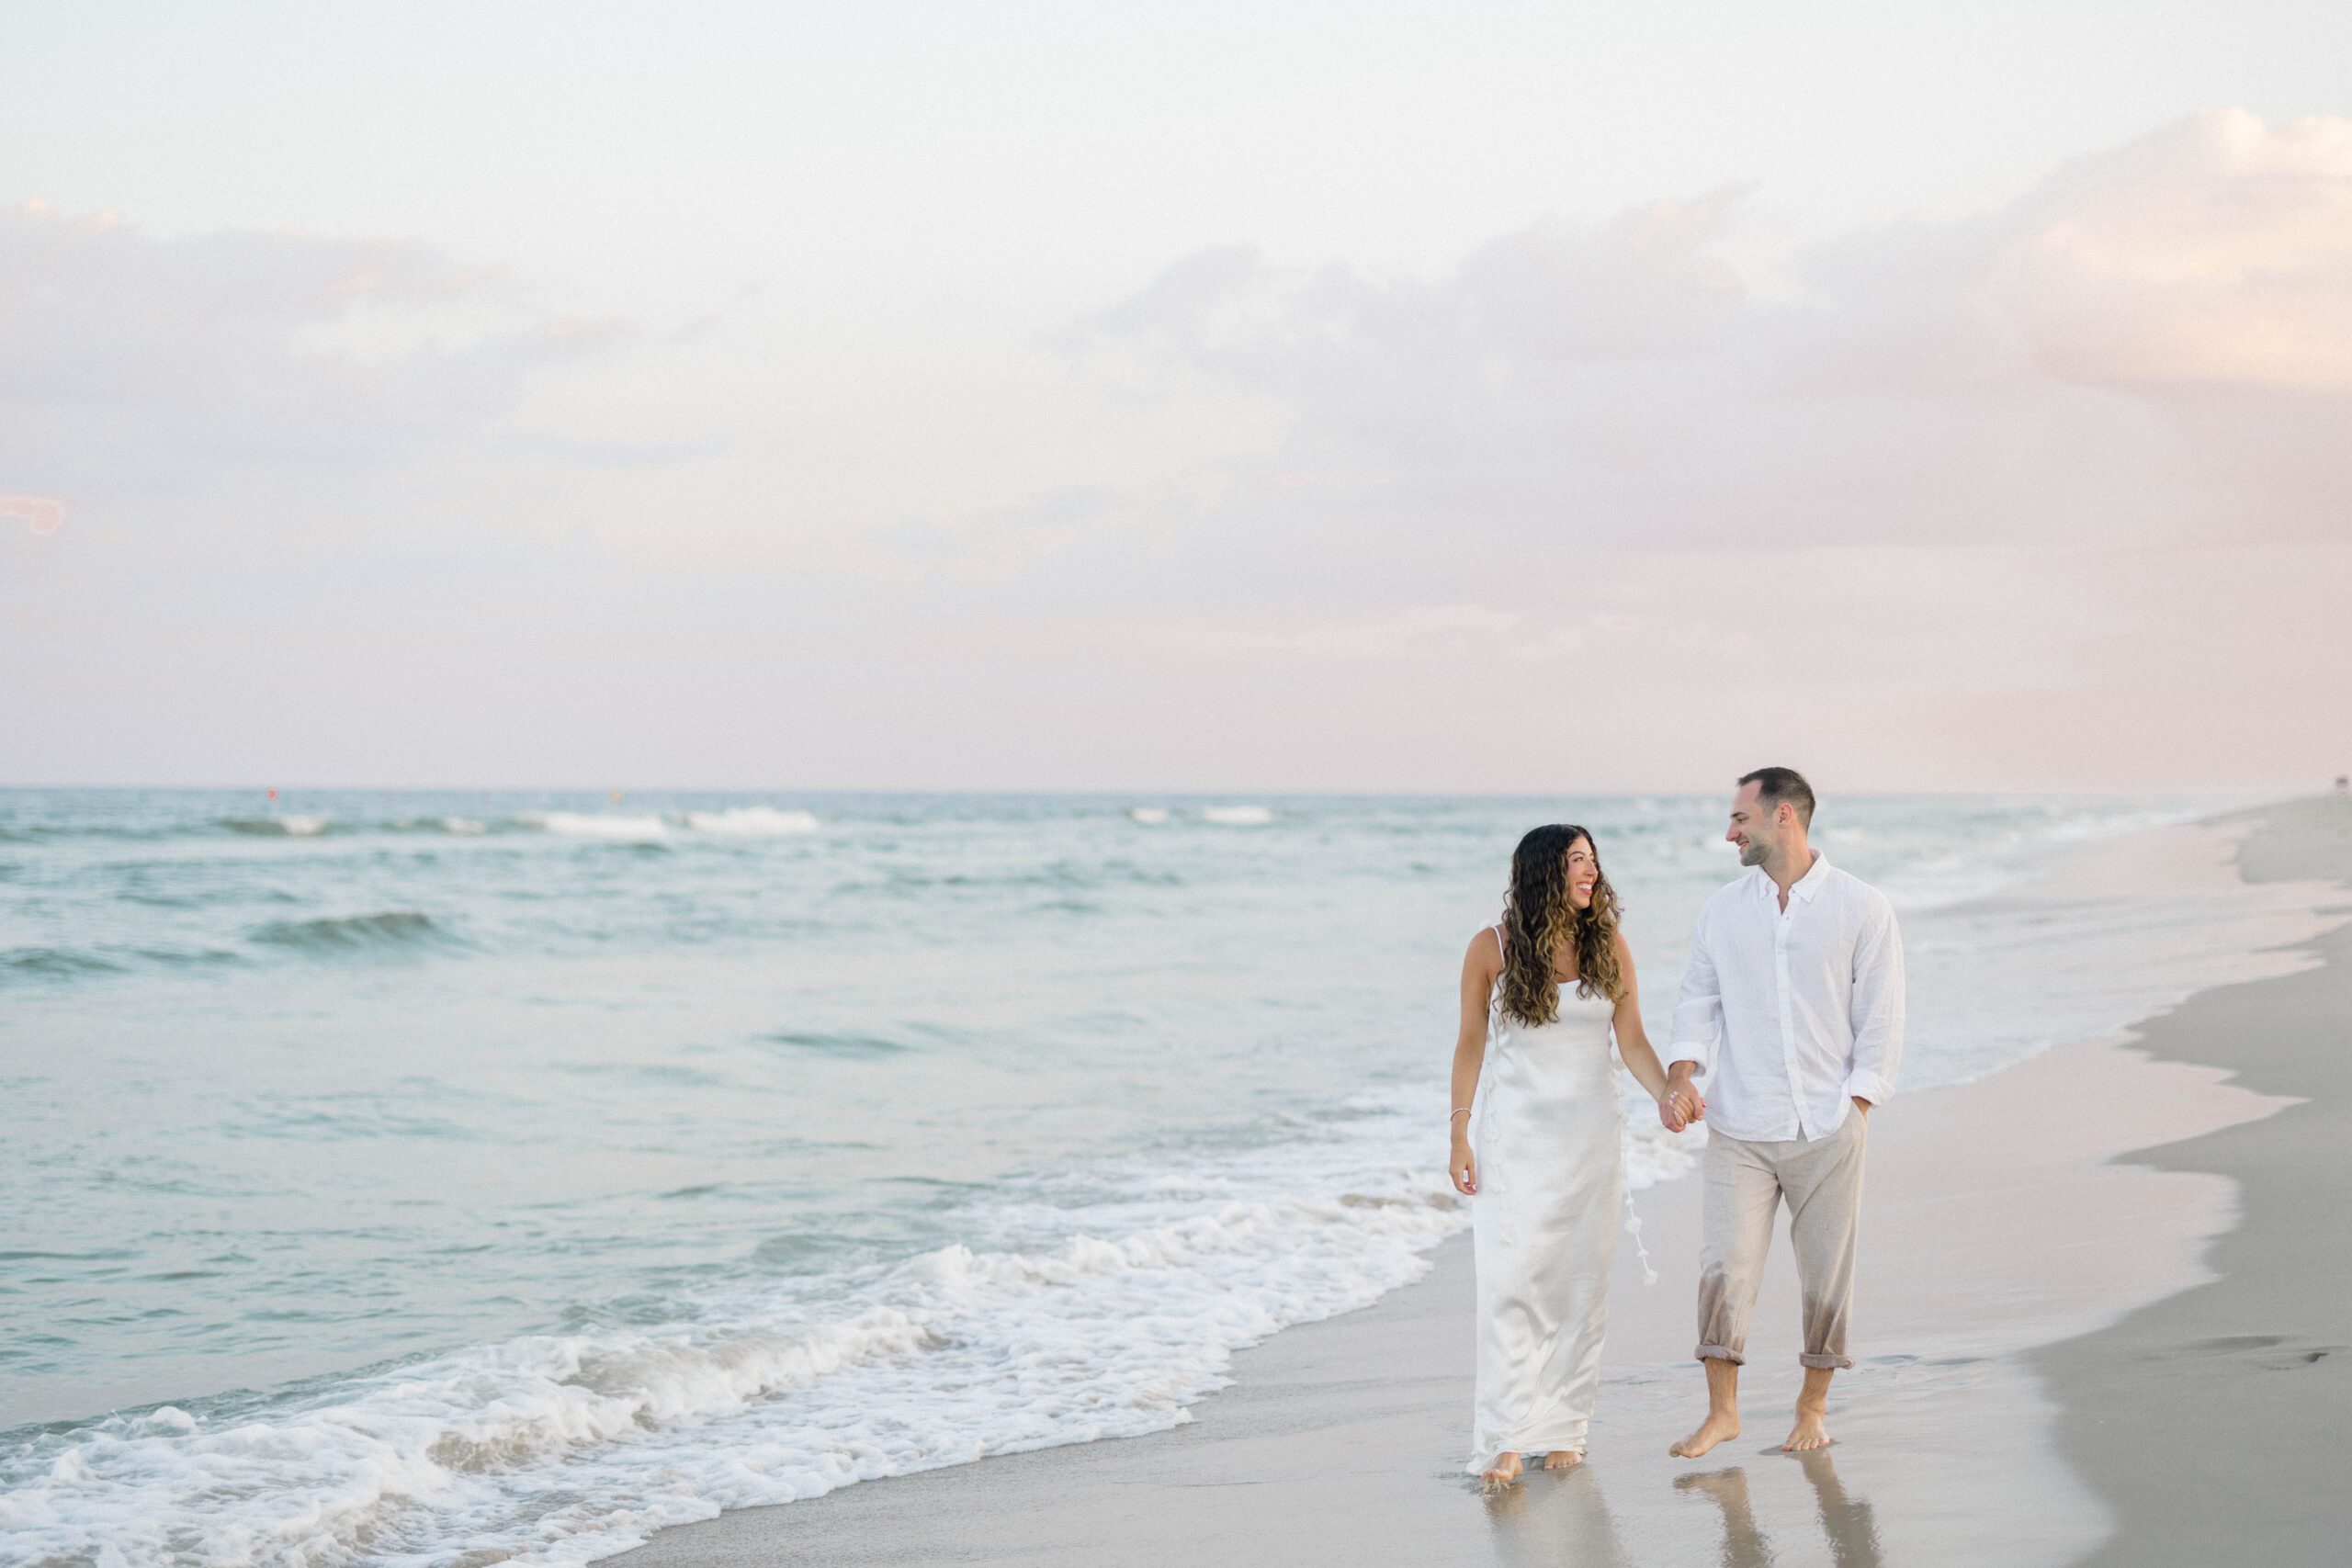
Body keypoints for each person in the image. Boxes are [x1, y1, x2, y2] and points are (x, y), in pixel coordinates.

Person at [1449, 824, 1702, 1486]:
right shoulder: (1492, 946)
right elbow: (1470, 1043)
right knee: (1512, 1284)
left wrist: (1667, 1094)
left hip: (1590, 1143)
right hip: (1515, 1145)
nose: (1590, 872)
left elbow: (1635, 1041)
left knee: (1578, 1289)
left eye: (1592, 859)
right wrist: (1458, 1131)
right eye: (1576, 861)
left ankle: (1563, 1426)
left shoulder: (1608, 944)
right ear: (1542, 873)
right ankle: (1506, 1434)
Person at [1663, 768, 1905, 1458]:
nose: (1730, 831)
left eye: (1741, 818)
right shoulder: (1720, 912)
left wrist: (1857, 1107)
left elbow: (1882, 1019)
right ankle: (1723, 1412)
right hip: (1739, 1123)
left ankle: (1812, 1405)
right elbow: (1696, 1003)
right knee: (1723, 1266)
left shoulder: (1863, 907)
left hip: (1828, 1123)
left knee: (1828, 1272)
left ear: (1785, 817)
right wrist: (1682, 1077)